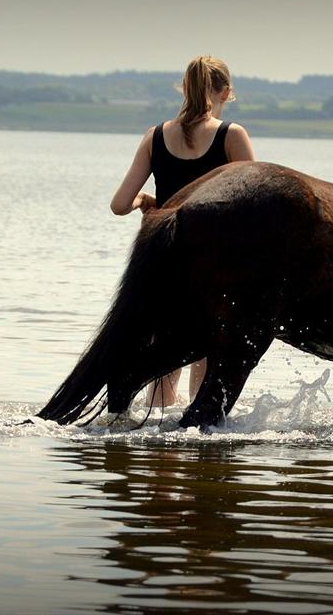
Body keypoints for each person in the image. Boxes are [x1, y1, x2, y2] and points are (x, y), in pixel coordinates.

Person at [109, 55, 256, 409]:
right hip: (213, 260)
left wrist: (147, 200)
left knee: (163, 352)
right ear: (227, 92)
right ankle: (196, 444)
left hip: (161, 255)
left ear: (184, 89)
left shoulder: (155, 136)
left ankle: (155, 439)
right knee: (205, 351)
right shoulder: (230, 136)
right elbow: (256, 202)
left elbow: (118, 204)